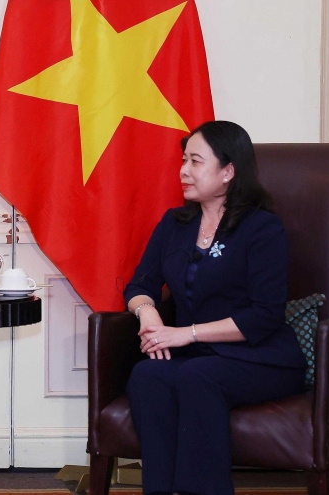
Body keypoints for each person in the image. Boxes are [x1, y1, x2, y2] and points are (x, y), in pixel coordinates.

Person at [123, 121, 306, 495]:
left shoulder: (262, 228)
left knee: (198, 376)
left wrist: (185, 334)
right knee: (147, 375)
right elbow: (139, 285)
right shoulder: (174, 225)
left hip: (261, 357)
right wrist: (148, 314)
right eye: (183, 160)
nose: (183, 170)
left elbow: (264, 315)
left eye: (195, 161)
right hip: (200, 357)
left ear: (228, 171)